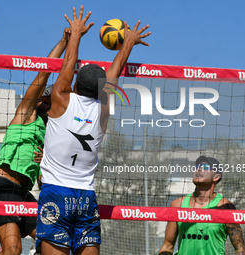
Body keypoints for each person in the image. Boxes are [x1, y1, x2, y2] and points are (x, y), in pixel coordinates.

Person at [35, 5, 151, 255]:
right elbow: (114, 73)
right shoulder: (103, 110)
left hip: (56, 191)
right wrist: (128, 42)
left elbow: (68, 62)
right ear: (100, 90)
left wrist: (75, 34)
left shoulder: (61, 98)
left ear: (75, 83)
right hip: (85, 196)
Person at [0, 28, 71, 255]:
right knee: (13, 250)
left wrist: (46, 164)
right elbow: (43, 74)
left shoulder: (48, 134)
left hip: (24, 193)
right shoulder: (26, 114)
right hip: (2, 186)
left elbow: (43, 184)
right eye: (50, 101)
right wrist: (64, 43)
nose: (55, 105)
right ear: (42, 99)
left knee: (57, 242)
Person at [159, 156, 245, 255]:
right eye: (198, 166)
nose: (199, 169)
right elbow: (168, 245)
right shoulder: (177, 204)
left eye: (205, 167)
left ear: (216, 177)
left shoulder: (225, 206)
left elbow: (240, 248)